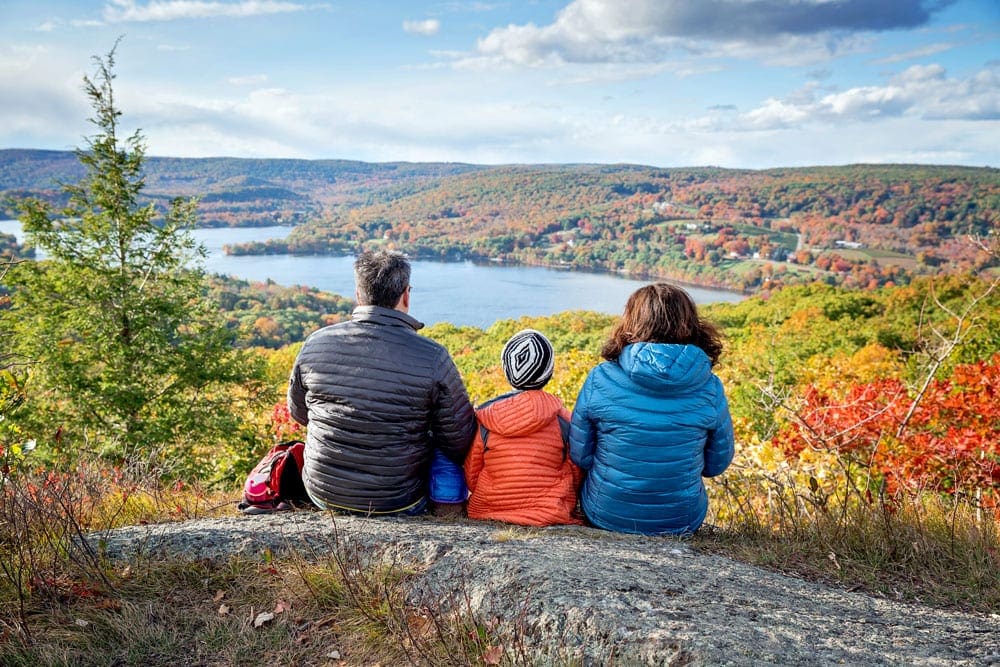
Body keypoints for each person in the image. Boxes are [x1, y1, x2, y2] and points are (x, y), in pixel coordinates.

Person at [287, 249, 476, 515]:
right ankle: (449, 511)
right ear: (406, 295)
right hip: (398, 500)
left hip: (323, 491)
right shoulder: (432, 356)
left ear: (358, 295)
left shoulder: (315, 343)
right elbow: (459, 439)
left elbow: (299, 413)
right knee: (442, 442)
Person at [569, 283, 734, 535]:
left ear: (631, 322)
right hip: (680, 518)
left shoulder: (600, 378)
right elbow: (716, 465)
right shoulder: (710, 387)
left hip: (605, 511)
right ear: (690, 323)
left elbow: (581, 455)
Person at [464, 329, 583, 526]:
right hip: (549, 512)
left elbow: (472, 474)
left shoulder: (485, 419)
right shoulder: (563, 420)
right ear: (549, 372)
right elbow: (576, 471)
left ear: (507, 371)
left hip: (489, 508)